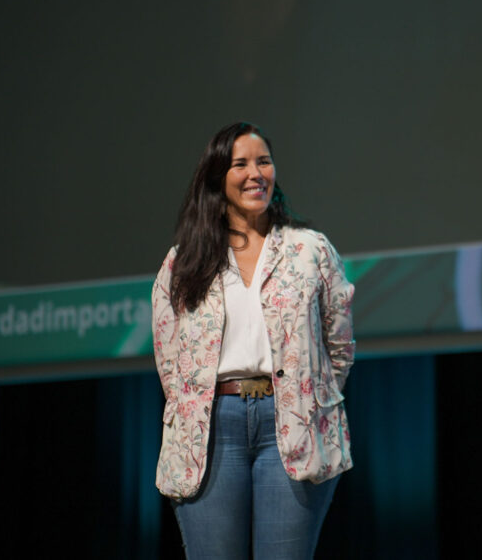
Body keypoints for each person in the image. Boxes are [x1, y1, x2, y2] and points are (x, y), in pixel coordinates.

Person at [152, 122, 355, 559]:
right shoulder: (184, 260)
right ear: (217, 177)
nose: (255, 173)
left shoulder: (310, 249)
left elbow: (339, 345)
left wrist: (309, 396)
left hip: (292, 425)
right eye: (240, 163)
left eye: (263, 161)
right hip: (211, 430)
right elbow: (169, 358)